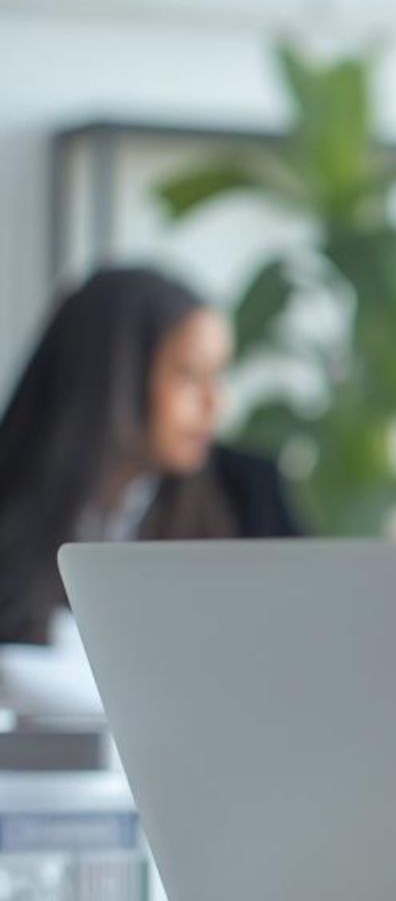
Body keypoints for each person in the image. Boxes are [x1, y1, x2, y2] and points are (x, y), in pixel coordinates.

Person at [0, 266, 301, 659]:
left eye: (218, 375)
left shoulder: (248, 496)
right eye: (189, 375)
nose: (216, 404)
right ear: (115, 375)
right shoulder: (13, 501)